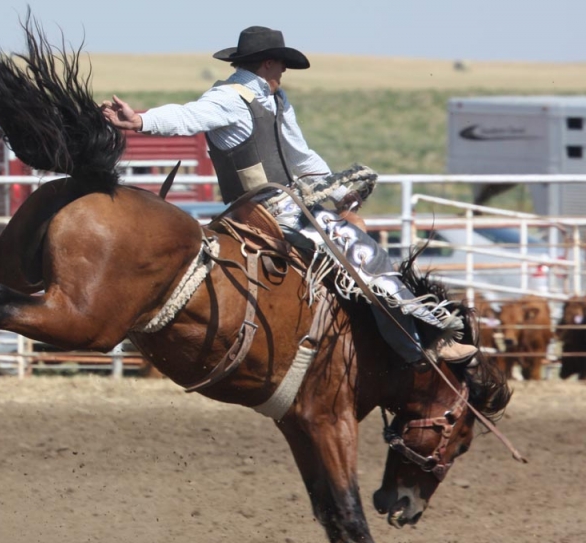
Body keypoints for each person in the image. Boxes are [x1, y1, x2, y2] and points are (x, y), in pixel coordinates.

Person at [102, 26, 476, 366]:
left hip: (287, 205)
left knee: (355, 236)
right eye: (281, 65)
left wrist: (340, 192)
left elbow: (301, 157)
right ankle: (420, 346)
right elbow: (189, 116)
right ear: (268, 63)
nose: (283, 72)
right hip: (266, 210)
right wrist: (140, 121)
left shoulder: (276, 100)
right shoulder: (229, 98)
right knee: (366, 254)